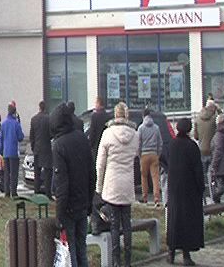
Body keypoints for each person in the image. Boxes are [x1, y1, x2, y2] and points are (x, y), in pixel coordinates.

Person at [95, 102, 139, 267]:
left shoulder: (107, 134)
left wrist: (98, 187)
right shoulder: (135, 135)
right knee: (127, 223)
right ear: (126, 115)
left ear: (115, 115)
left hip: (112, 184)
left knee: (114, 224)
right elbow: (136, 155)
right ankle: (128, 260)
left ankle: (116, 261)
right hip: (127, 184)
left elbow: (100, 164)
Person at [51, 102, 95, 267]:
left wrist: (59, 215)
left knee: (70, 252)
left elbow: (62, 184)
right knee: (81, 247)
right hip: (83, 203)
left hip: (68, 206)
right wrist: (89, 202)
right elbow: (92, 173)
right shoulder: (82, 138)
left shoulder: (59, 145)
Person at [166, 118, 204, 266]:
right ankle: (186, 255)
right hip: (189, 190)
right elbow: (197, 169)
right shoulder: (191, 146)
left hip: (174, 189)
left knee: (174, 220)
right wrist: (201, 187)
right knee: (186, 222)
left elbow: (166, 161)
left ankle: (171, 252)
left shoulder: (172, 145)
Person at [194, 97, 219, 200]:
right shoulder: (214, 119)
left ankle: (203, 196)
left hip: (201, 150)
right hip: (212, 150)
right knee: (214, 174)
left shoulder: (198, 118)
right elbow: (222, 123)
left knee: (203, 175)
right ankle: (215, 196)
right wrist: (218, 109)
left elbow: (195, 136)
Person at [137, 108, 163, 207]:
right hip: (154, 154)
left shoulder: (141, 128)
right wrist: (158, 153)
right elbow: (160, 142)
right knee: (155, 177)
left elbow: (138, 143)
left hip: (144, 154)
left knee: (144, 177)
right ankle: (156, 198)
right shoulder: (156, 127)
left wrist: (139, 154)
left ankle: (145, 197)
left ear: (143, 116)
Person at [0, 102, 24, 198]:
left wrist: (1, 151)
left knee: (6, 173)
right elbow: (20, 137)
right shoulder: (16, 124)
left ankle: (7, 192)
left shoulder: (3, 124)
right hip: (14, 152)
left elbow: (0, 139)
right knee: (14, 173)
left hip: (5, 152)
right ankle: (14, 191)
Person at [29, 101, 52, 197]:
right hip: (46, 148)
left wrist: (33, 147)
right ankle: (47, 193)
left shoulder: (34, 119)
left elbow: (31, 136)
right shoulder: (49, 119)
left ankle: (36, 191)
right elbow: (51, 134)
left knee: (37, 172)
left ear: (39, 108)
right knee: (47, 172)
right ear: (45, 108)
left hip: (37, 148)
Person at [89, 96, 111, 161]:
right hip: (106, 145)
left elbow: (92, 132)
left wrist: (90, 144)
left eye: (96, 103)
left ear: (99, 104)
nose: (95, 105)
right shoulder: (108, 116)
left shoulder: (94, 116)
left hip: (96, 146)